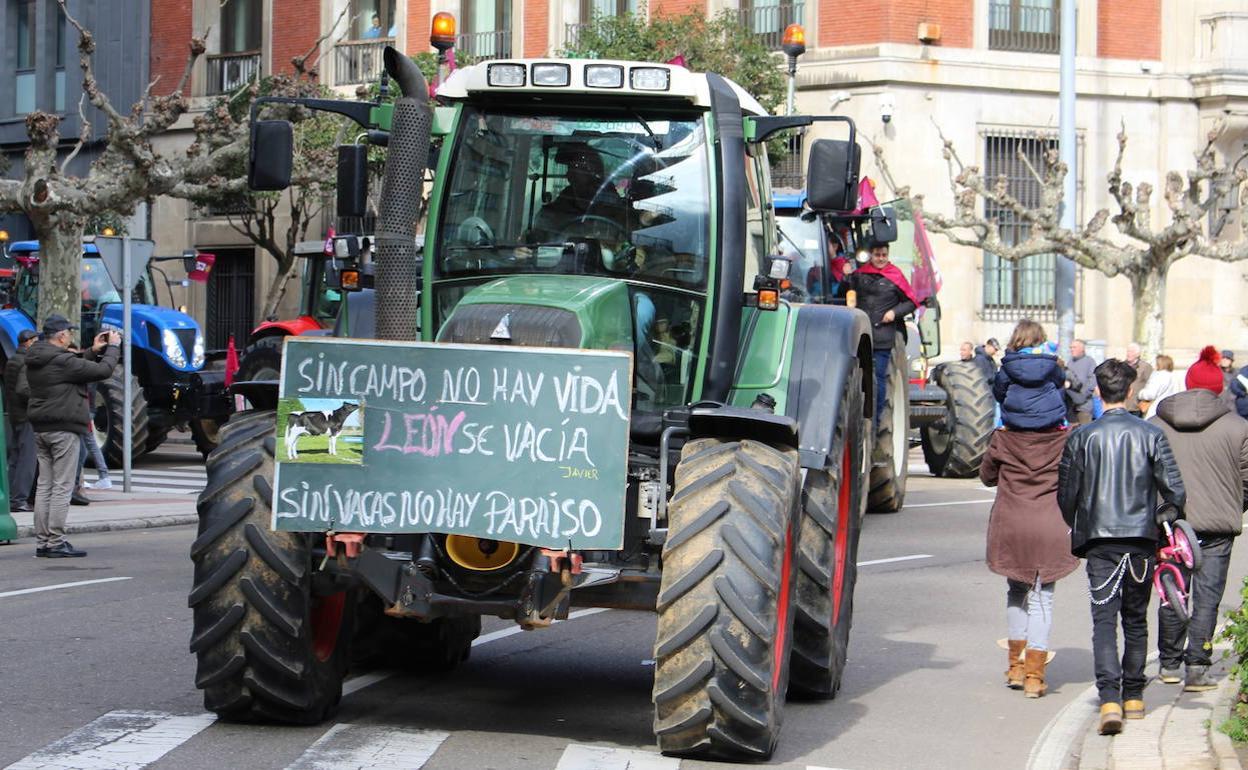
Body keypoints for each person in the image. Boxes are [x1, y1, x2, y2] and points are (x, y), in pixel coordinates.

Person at [1058, 359, 1186, 735]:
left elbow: (1067, 495)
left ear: (1098, 391)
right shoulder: (1150, 435)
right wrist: (1162, 520)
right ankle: (1134, 697)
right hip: (1141, 539)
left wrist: (1080, 523)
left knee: (1103, 622)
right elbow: (1175, 491)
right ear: (1131, 391)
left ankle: (1109, 698)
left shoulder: (1082, 437)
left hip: (1100, 539)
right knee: (1134, 619)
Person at [981, 324, 1077, 699]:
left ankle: (1016, 667)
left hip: (1013, 523)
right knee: (1043, 596)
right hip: (1051, 524)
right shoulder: (1065, 439)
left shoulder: (1002, 438)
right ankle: (1036, 678)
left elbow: (988, 476)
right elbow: (1075, 482)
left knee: (1016, 591)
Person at [1149, 346, 1248, 692]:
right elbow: (1247, 479)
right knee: (1208, 596)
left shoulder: (1156, 425)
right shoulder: (1238, 428)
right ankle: (1197, 667)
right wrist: (1234, 504)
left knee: (1172, 589)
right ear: (1219, 387)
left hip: (1170, 525)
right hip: (1218, 525)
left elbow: (1146, 475)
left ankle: (1169, 663)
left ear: (1186, 384)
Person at [25, 315, 120, 558]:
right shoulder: (62, 361)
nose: (70, 335)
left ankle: (43, 541)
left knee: (44, 485)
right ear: (60, 336)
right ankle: (56, 541)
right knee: (62, 486)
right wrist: (113, 348)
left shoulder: (37, 356)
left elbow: (70, 366)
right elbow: (103, 370)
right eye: (68, 332)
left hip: (41, 428)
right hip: (64, 429)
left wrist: (91, 350)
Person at [846, 241, 918, 422]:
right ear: (871, 255)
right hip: (860, 335)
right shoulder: (859, 276)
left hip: (883, 336)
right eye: (877, 255)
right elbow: (846, 291)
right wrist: (845, 276)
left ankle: (875, 420)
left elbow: (911, 302)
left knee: (877, 378)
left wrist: (894, 313)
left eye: (884, 255)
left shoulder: (895, 276)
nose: (881, 259)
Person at [993, 321, 1067, 431]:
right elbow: (1060, 384)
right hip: (1050, 422)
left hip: (1015, 423)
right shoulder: (1051, 364)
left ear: (1016, 338)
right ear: (1040, 337)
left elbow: (999, 394)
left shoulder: (1008, 366)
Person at [4, 329, 38, 512]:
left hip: (15, 414)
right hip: (26, 416)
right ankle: (20, 499)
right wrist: (40, 398)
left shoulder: (12, 359)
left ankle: (11, 497)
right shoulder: (26, 361)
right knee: (27, 459)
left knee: (16, 458)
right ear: (29, 342)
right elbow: (23, 389)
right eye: (36, 340)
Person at [1136, 354, 1182, 419]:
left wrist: (1140, 393)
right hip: (1170, 410)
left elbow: (1150, 394)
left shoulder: (1158, 376)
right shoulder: (1175, 377)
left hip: (1156, 410)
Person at [1065, 339, 1097, 424]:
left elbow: (1093, 381)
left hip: (1084, 406)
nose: (1072, 349)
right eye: (1071, 347)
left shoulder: (1090, 361)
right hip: (1070, 406)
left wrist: (1082, 395)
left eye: (1074, 347)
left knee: (1084, 432)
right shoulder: (1070, 362)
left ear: (1082, 349)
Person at [1122, 342, 1152, 416]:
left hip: (1136, 406)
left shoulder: (1145, 367)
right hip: (1122, 404)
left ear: (1138, 354)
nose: (1128, 354)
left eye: (1131, 352)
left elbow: (1149, 384)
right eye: (1128, 351)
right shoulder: (1121, 365)